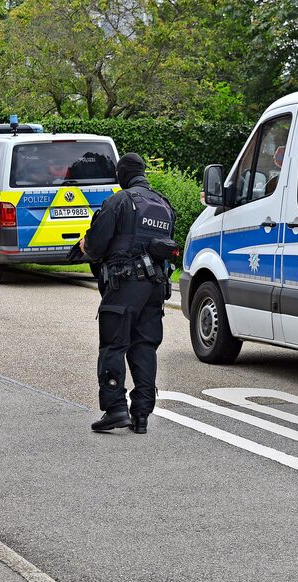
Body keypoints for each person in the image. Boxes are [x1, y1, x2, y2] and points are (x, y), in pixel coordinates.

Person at [81, 153, 176, 435]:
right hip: (155, 287)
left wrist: (88, 244)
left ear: (123, 175)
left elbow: (96, 246)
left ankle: (115, 409)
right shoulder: (164, 204)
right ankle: (142, 415)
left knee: (114, 344)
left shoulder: (120, 201)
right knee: (144, 347)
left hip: (125, 284)